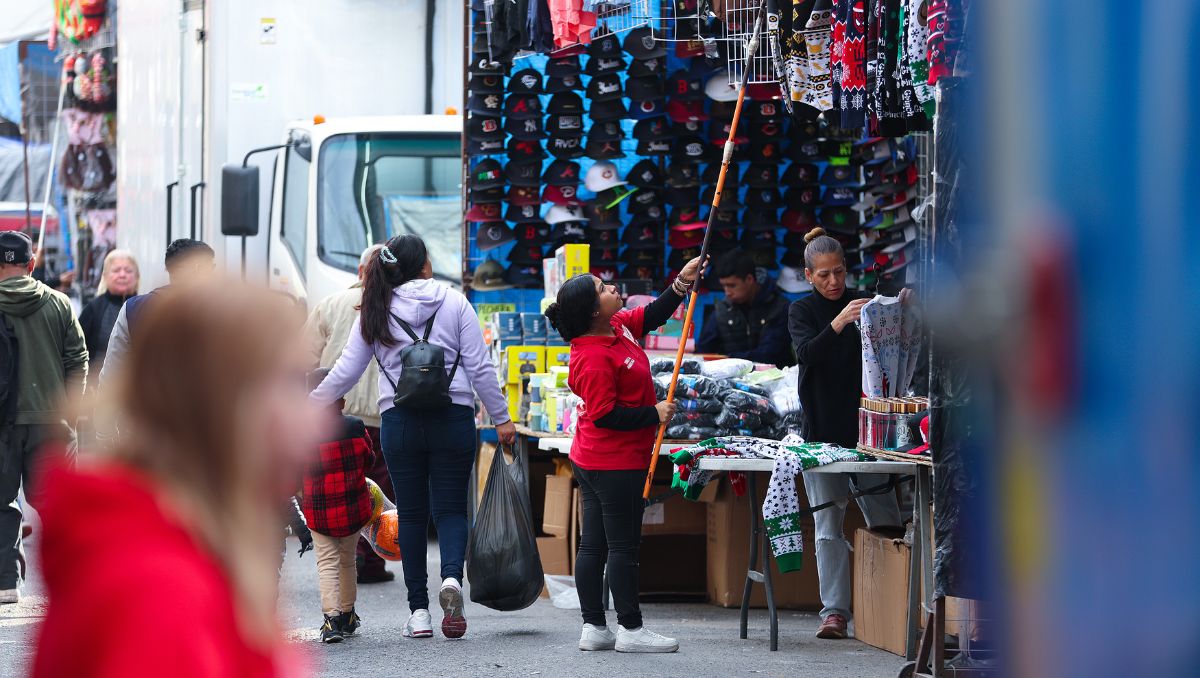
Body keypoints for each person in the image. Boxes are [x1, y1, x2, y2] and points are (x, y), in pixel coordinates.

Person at [33, 280, 316, 677]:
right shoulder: (163, 592)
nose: (314, 416)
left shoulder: (182, 538)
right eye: (287, 384)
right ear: (223, 402)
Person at [310, 234, 516, 641]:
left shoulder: (377, 306)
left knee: (412, 515)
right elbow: (480, 367)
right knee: (452, 510)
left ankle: (419, 612)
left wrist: (310, 404)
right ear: (424, 264)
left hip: (399, 422)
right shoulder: (455, 301)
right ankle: (452, 580)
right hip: (454, 417)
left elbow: (346, 370)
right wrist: (503, 418)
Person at [543, 255, 705, 654]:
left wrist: (679, 284)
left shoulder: (614, 327)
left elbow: (649, 317)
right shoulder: (594, 357)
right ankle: (630, 629)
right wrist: (654, 413)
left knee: (597, 545)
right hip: (611, 463)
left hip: (604, 460)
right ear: (594, 310)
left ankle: (595, 629)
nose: (612, 288)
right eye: (603, 288)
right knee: (619, 546)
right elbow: (604, 415)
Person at [787, 227, 906, 640]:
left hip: (869, 434)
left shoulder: (865, 308)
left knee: (886, 519)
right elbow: (806, 355)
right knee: (827, 527)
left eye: (838, 272)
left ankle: (897, 601)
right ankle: (834, 612)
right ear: (808, 275)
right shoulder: (803, 312)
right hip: (821, 435)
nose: (833, 281)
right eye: (823, 275)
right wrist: (838, 322)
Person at [0, 232, 88, 605]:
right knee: (55, 501)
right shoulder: (58, 303)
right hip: (52, 420)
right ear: (31, 264)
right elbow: (78, 358)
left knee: (2, 503)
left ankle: (6, 583)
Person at [303, 244, 396, 584]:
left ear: (359, 272)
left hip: (334, 414)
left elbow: (304, 357)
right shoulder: (397, 305)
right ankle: (372, 560)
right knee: (379, 492)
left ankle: (344, 554)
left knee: (337, 486)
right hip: (381, 414)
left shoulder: (330, 304)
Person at [300, 368, 376, 644]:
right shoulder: (356, 427)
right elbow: (369, 461)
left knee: (327, 563)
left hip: (319, 511)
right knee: (347, 561)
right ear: (342, 401)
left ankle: (331, 621)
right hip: (353, 508)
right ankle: (348, 614)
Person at [99, 238, 214, 387]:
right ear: (198, 268)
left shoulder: (132, 309)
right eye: (212, 267)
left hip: (148, 407)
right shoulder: (218, 311)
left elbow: (112, 374)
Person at [696, 249, 796, 368]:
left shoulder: (781, 308)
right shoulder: (721, 311)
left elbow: (768, 355)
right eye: (724, 286)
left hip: (778, 381)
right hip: (729, 381)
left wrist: (726, 359)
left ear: (749, 279)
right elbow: (702, 353)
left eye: (732, 285)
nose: (727, 292)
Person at [78, 249, 139, 377]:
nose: (122, 275)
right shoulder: (93, 309)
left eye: (128, 271)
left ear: (137, 276)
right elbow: (78, 354)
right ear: (105, 276)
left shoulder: (146, 307)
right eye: (116, 270)